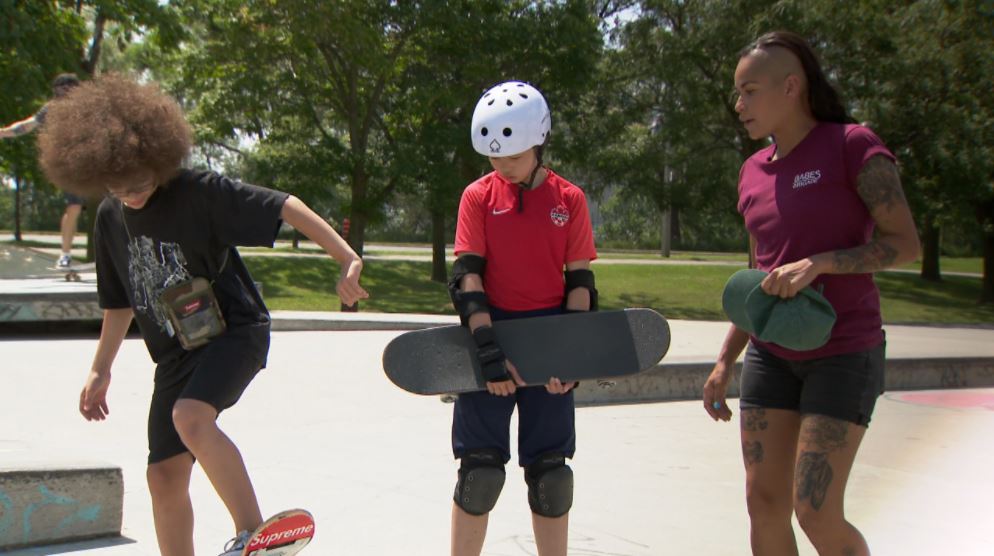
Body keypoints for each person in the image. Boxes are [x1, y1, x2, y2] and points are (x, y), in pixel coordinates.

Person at [36, 74, 368, 556]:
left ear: (158, 160)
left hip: (234, 332)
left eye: (142, 183)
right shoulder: (109, 218)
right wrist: (100, 369)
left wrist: (346, 256)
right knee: (163, 476)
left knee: (191, 418)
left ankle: (255, 537)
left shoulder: (197, 192)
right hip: (175, 356)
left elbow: (283, 205)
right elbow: (118, 301)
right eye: (118, 186)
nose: (132, 194)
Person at [702, 31, 920, 556]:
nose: (739, 104)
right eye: (738, 93)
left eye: (750, 90)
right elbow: (761, 275)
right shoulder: (752, 173)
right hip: (772, 356)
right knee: (763, 503)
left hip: (843, 353)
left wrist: (821, 264)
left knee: (815, 509)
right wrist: (725, 360)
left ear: (791, 87)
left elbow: (906, 244)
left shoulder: (853, 146)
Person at [447, 81, 598, 556]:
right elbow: (468, 278)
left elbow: (580, 284)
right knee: (480, 472)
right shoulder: (478, 195)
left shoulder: (569, 199)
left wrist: (567, 356)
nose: (501, 166)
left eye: (512, 157)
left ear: (538, 142)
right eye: (493, 158)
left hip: (549, 334)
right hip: (491, 333)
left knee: (552, 475)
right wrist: (489, 354)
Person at [0, 73, 84, 268]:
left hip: (99, 160)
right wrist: (3, 132)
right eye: (60, 92)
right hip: (73, 165)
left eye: (67, 92)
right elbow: (28, 124)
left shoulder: (89, 106)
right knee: (74, 207)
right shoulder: (51, 109)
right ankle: (65, 253)